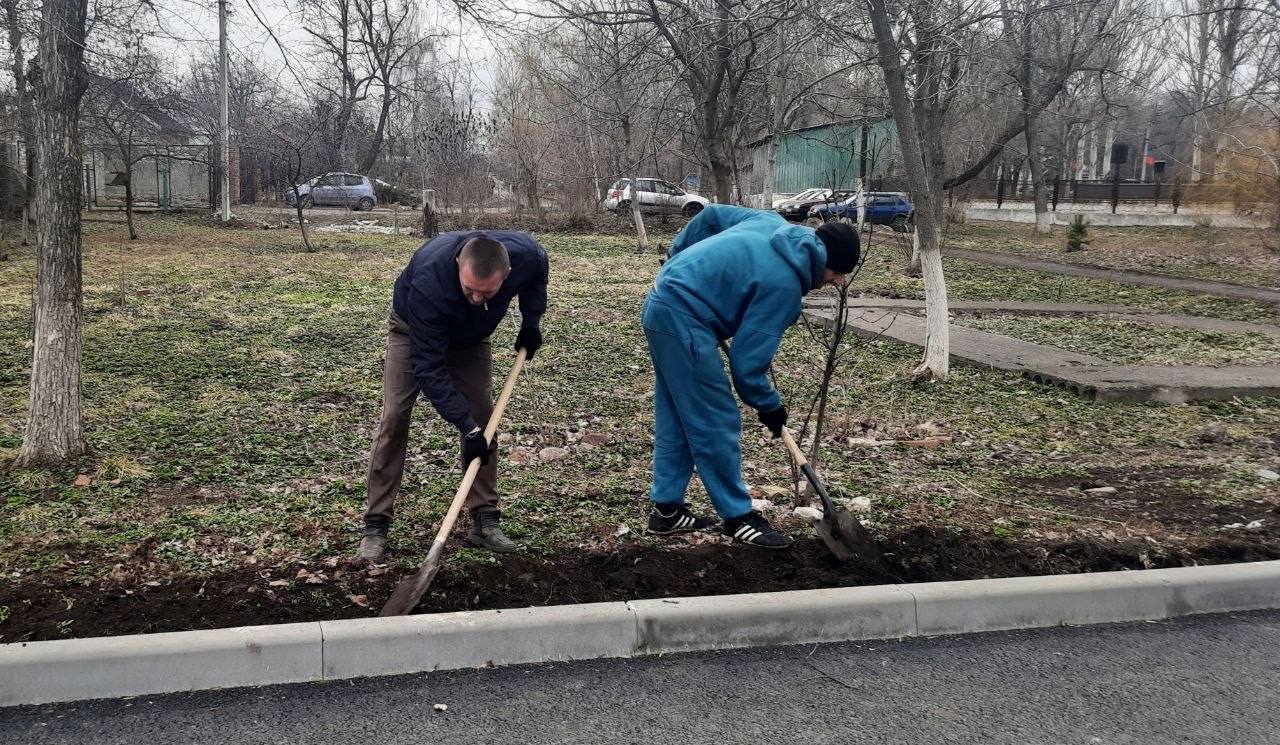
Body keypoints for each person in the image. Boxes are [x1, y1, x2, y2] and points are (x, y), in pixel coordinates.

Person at [642, 205, 860, 549]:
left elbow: (711, 215)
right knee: (715, 417)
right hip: (684, 318)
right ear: (824, 260)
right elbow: (747, 366)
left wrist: (678, 256)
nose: (837, 281)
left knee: (679, 413)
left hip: (661, 302)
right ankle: (738, 518)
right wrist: (770, 406)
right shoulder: (785, 286)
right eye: (837, 272)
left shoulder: (770, 222)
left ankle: (667, 511)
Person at [357, 231, 549, 563]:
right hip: (413, 332)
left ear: (507, 274)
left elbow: (537, 275)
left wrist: (531, 322)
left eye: (486, 293)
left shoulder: (527, 256)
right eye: (469, 289)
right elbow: (429, 368)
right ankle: (376, 524)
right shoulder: (428, 281)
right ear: (458, 264)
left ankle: (484, 519)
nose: (476, 298)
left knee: (484, 418)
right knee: (395, 416)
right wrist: (464, 426)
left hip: (472, 339)